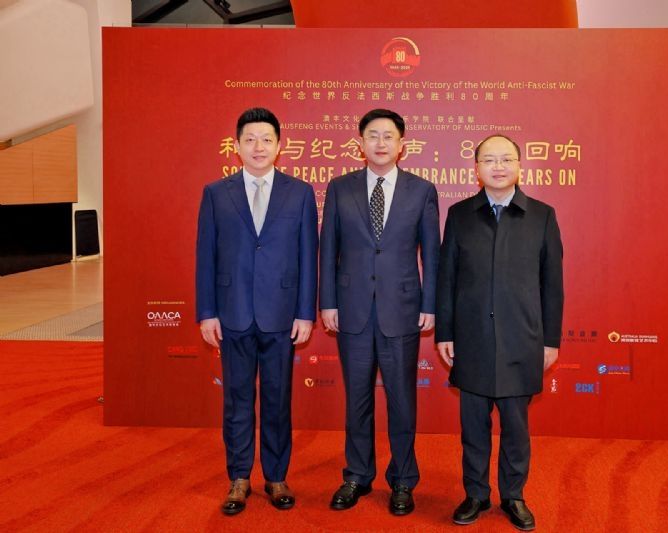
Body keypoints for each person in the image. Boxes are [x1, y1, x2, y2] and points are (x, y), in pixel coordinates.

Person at [435, 134, 564, 531]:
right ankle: (475, 494)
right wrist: (445, 333)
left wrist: (550, 340)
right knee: (473, 428)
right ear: (476, 168)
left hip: (521, 339)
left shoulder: (542, 216)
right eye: (489, 160)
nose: (498, 166)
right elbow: (446, 279)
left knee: (516, 428)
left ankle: (513, 495)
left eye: (506, 159)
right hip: (471, 338)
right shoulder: (459, 215)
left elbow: (552, 284)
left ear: (519, 165)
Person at [195, 107, 318, 515]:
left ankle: (277, 476)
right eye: (250, 139)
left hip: (281, 315)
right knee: (237, 399)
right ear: (236, 146)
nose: (258, 147)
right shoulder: (216, 193)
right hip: (232, 313)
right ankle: (239, 477)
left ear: (280, 146)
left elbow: (308, 256)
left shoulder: (300, 193)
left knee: (278, 399)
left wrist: (305, 313)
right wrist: (207, 312)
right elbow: (206, 256)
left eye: (266, 139)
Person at [319, 108, 439, 516]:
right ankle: (357, 474)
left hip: (401, 310)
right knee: (357, 399)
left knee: (402, 401)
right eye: (373, 135)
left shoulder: (421, 190)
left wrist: (429, 304)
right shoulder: (340, 187)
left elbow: (432, 254)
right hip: (351, 309)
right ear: (361, 143)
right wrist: (328, 302)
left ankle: (403, 479)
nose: (381, 142)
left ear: (402, 144)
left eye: (389, 136)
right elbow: (328, 249)